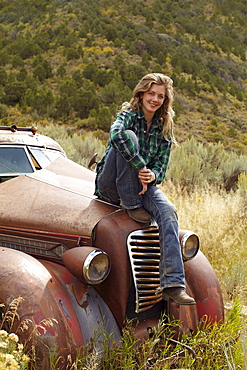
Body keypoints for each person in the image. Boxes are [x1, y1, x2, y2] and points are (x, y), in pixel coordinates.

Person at [94, 73, 195, 306]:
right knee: (128, 136)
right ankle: (130, 204)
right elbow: (116, 135)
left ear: (165, 100)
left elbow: (161, 165)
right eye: (151, 93)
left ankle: (173, 285)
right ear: (141, 93)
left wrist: (153, 174)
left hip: (141, 185)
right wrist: (141, 165)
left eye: (160, 96)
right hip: (111, 185)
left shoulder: (164, 128)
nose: (155, 99)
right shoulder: (128, 115)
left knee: (168, 211)